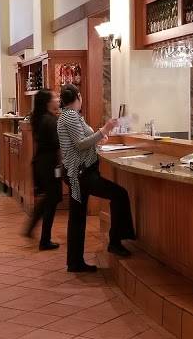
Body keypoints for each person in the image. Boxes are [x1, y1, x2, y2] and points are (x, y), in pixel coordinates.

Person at [57, 84, 136, 272]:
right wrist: (104, 130)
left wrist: (98, 137)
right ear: (78, 96)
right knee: (119, 195)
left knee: (77, 217)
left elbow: (82, 141)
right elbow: (80, 144)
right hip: (81, 174)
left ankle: (75, 262)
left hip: (78, 173)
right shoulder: (70, 116)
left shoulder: (69, 115)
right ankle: (115, 242)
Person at [24, 89, 62, 250]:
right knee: (52, 200)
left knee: (49, 198)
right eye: (55, 97)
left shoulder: (40, 118)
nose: (58, 99)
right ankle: (44, 240)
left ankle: (32, 229)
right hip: (49, 165)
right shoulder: (50, 120)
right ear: (48, 102)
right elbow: (57, 143)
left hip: (41, 163)